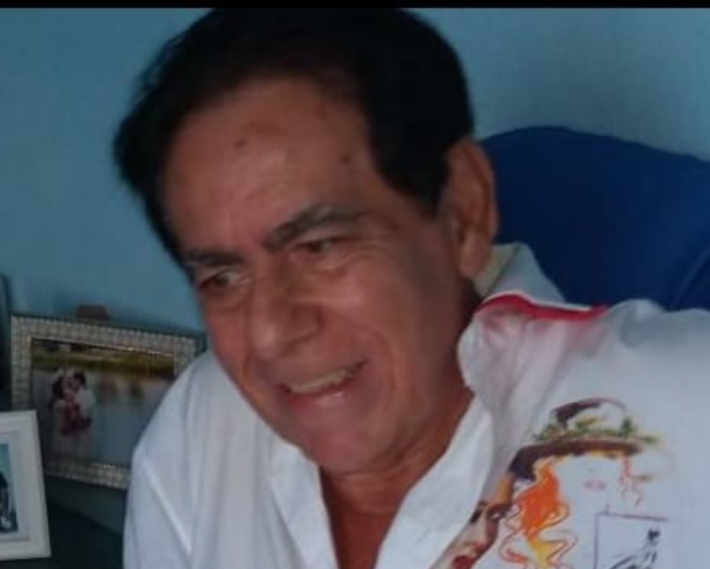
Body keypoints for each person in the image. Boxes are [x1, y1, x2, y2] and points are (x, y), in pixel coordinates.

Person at [113, 8, 710, 569]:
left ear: (464, 212)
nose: (270, 333)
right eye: (222, 278)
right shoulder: (201, 429)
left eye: (320, 246)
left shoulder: (686, 410)